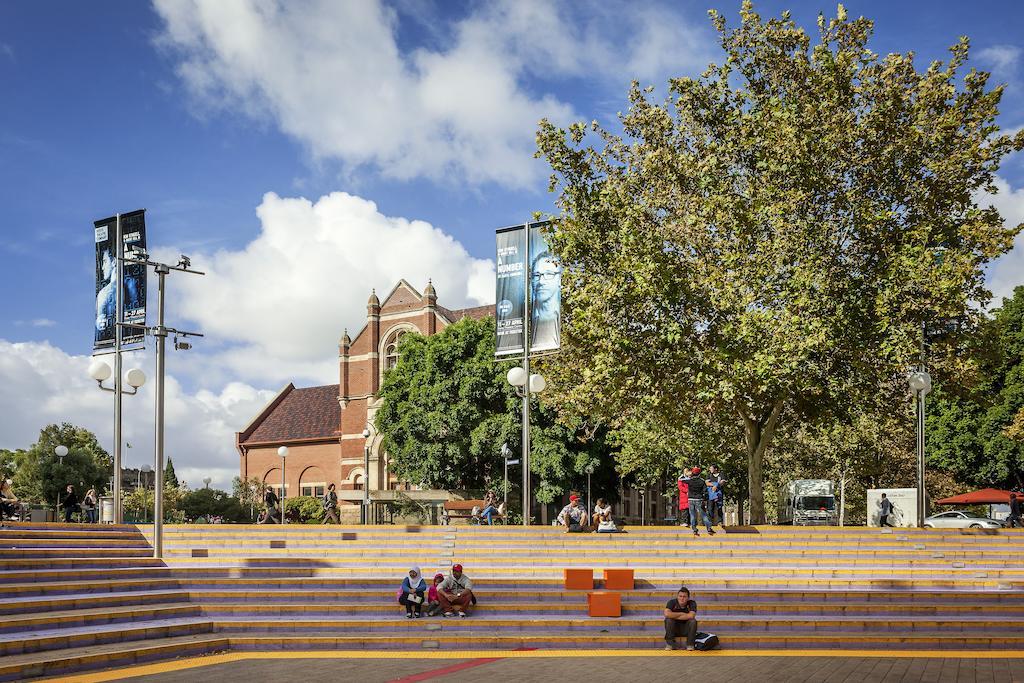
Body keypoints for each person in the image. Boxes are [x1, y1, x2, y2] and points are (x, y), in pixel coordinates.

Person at [663, 585, 699, 650]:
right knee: (668, 620)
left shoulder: (692, 603)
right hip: (674, 629)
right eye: (680, 596)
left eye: (684, 596)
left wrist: (674, 615)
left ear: (688, 598)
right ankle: (670, 644)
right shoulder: (672, 602)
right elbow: (667, 614)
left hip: (686, 629)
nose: (682, 598)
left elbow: (691, 616)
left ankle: (690, 645)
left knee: (693, 621)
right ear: (677, 596)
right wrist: (682, 614)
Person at [685, 468, 714, 536]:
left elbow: (681, 479)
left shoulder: (689, 481)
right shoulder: (702, 481)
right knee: (703, 515)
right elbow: (705, 491)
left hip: (690, 499)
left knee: (692, 515)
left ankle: (694, 529)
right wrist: (705, 499)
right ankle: (709, 528)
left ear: (692, 473)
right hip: (699, 499)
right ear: (699, 474)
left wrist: (687, 474)